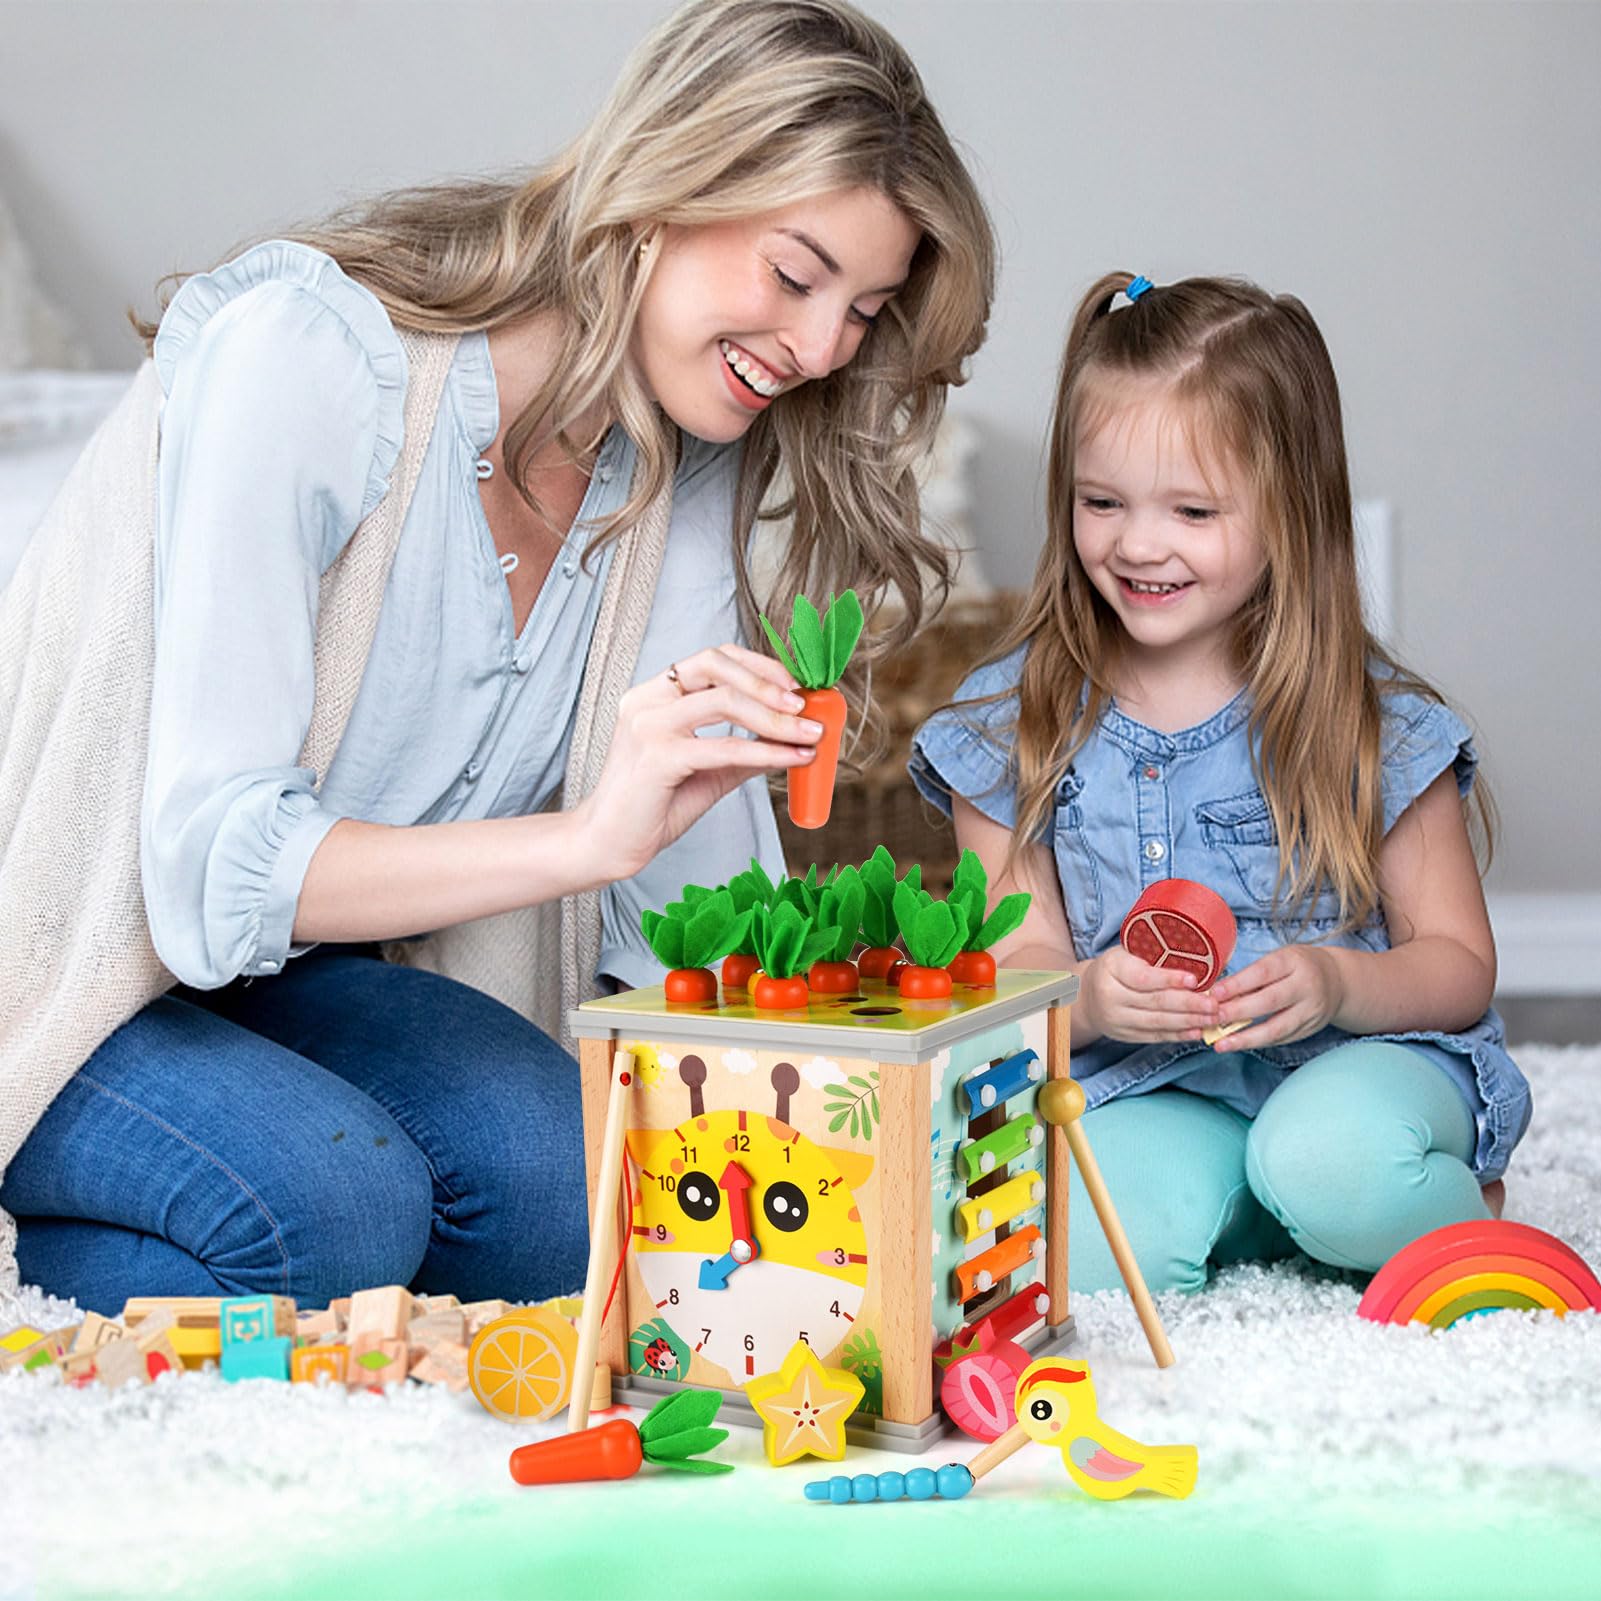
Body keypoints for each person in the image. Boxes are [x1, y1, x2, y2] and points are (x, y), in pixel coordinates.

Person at [0, 0, 995, 1315]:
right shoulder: (310, 359)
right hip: (59, 955)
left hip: (289, 980)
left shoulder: (680, 449)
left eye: (861, 310)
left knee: (587, 1190)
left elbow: (687, 867)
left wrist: (802, 1129)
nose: (819, 351)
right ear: (664, 187)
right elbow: (208, 871)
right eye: (794, 275)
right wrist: (583, 839)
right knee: (332, 1208)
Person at [911, 272, 1527, 1294]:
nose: (1136, 544)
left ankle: (1370, 1192)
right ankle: (1282, 1212)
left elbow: (1457, 964)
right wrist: (1088, 997)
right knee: (1069, 1240)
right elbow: (1013, 957)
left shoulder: (1367, 719)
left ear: (1290, 510)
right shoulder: (1008, 721)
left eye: (1191, 510)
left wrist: (1339, 984)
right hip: (1155, 1086)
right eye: (1100, 502)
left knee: (1332, 1159)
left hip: (1357, 1066)